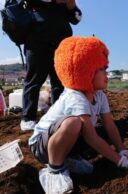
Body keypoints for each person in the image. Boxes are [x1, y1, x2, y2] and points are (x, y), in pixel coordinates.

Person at [28, 37, 128, 194]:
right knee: (75, 124)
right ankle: (54, 169)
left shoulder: (99, 95)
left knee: (95, 130)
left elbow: (110, 125)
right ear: (87, 71)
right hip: (42, 146)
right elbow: (91, 138)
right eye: (103, 69)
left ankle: (68, 158)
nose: (107, 74)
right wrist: (120, 162)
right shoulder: (75, 97)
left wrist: (122, 150)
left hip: (63, 139)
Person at [20, 0, 82, 131]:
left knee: (59, 83)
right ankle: (28, 118)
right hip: (37, 43)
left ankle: (58, 116)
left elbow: (77, 18)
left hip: (61, 45)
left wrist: (71, 5)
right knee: (33, 81)